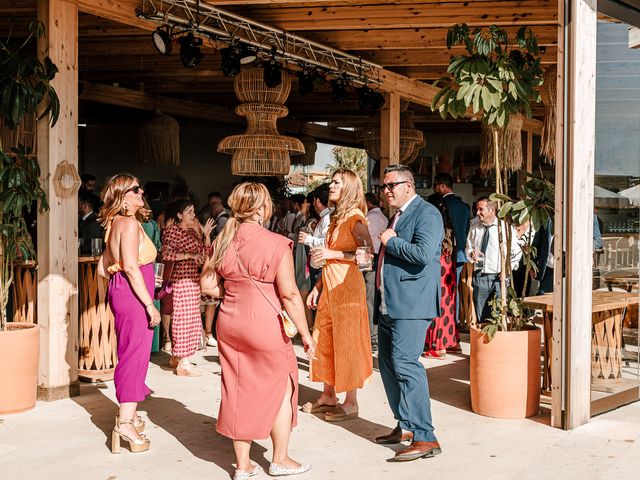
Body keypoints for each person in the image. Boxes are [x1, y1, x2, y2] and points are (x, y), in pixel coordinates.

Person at [200, 182, 316, 480]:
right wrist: (305, 333)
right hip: (264, 322)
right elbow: (290, 295)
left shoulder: (223, 239)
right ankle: (279, 459)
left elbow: (208, 286)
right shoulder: (277, 243)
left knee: (237, 388)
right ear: (263, 209)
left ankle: (243, 466)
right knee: (282, 386)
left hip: (229, 320)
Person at [373, 164, 444, 462]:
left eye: (392, 185)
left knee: (406, 365)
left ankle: (425, 437)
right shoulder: (398, 215)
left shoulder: (427, 213)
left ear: (410, 186)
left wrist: (391, 241)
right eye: (384, 186)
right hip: (390, 303)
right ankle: (405, 426)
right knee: (388, 365)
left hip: (412, 305)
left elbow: (423, 254)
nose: (386, 190)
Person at [97, 174, 160, 454]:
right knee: (135, 357)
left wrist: (113, 294)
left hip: (123, 291)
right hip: (135, 295)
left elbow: (102, 269)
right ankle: (124, 422)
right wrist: (148, 303)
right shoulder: (131, 224)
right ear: (123, 197)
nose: (141, 190)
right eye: (136, 189)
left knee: (129, 352)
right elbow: (133, 267)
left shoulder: (113, 224)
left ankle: (130, 414)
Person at [304, 169, 373, 422]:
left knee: (347, 343)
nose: (330, 186)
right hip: (329, 289)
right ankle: (328, 395)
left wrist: (332, 255)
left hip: (348, 290)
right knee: (323, 339)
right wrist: (317, 287)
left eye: (336, 183)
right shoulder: (334, 218)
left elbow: (367, 258)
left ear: (349, 188)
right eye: (331, 182)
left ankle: (351, 402)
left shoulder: (356, 218)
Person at [161, 200, 214, 376]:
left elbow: (204, 254)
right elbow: (166, 253)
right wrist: (189, 255)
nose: (193, 214)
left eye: (193, 211)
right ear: (179, 215)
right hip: (180, 280)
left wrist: (206, 236)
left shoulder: (192, 232)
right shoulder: (172, 231)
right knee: (182, 318)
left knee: (191, 318)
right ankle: (183, 362)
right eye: (189, 211)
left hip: (193, 279)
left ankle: (177, 357)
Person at [465, 197, 522, 322]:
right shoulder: (474, 228)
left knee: (498, 314)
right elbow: (468, 249)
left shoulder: (505, 228)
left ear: (492, 210)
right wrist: (471, 254)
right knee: (481, 314)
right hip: (480, 275)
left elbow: (517, 252)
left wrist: (507, 269)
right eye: (477, 210)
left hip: (499, 277)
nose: (477, 213)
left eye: (481, 209)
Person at [423, 192, 459, 359]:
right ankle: (450, 341)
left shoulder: (431, 222)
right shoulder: (449, 224)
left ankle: (438, 347)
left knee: (436, 303)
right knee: (448, 304)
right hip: (448, 262)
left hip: (438, 264)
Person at [433, 173, 471, 328]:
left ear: (442, 186)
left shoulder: (442, 205)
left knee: (443, 291)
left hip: (445, 253)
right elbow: (466, 229)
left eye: (436, 185)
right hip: (460, 252)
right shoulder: (464, 206)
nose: (434, 189)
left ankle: (444, 326)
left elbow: (439, 230)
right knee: (453, 290)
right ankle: (453, 325)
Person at [364, 192, 388, 352]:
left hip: (370, 258)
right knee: (375, 298)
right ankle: (374, 337)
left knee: (369, 299)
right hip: (380, 258)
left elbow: (366, 241)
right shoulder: (385, 218)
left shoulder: (369, 219)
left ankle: (372, 339)